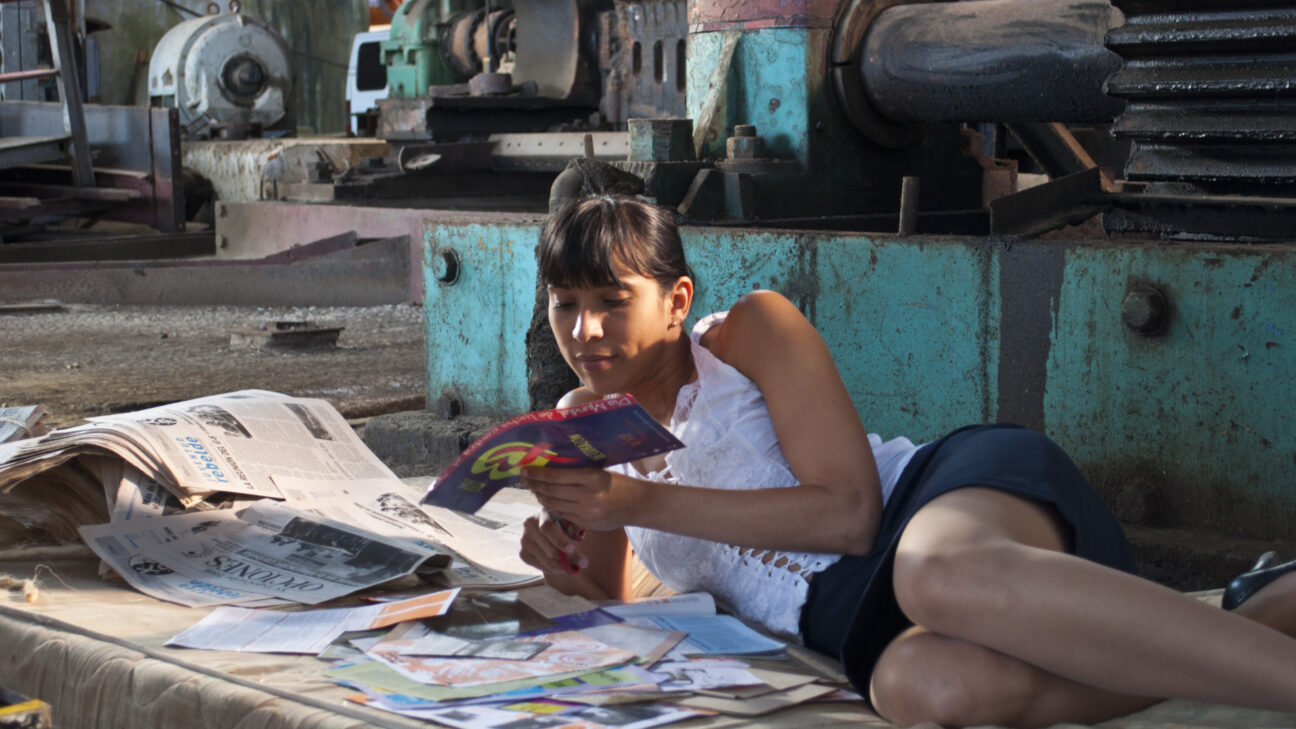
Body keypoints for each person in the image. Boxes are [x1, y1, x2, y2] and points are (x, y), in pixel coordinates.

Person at [517, 195, 1296, 728]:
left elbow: (851, 516)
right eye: (564, 302)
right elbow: (622, 591)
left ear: (676, 300)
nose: (585, 330)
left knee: (935, 574)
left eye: (611, 301)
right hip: (852, 621)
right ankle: (1251, 617)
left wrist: (635, 502)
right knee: (924, 688)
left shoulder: (749, 331)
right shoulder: (583, 423)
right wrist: (568, 560)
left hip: (933, 503)